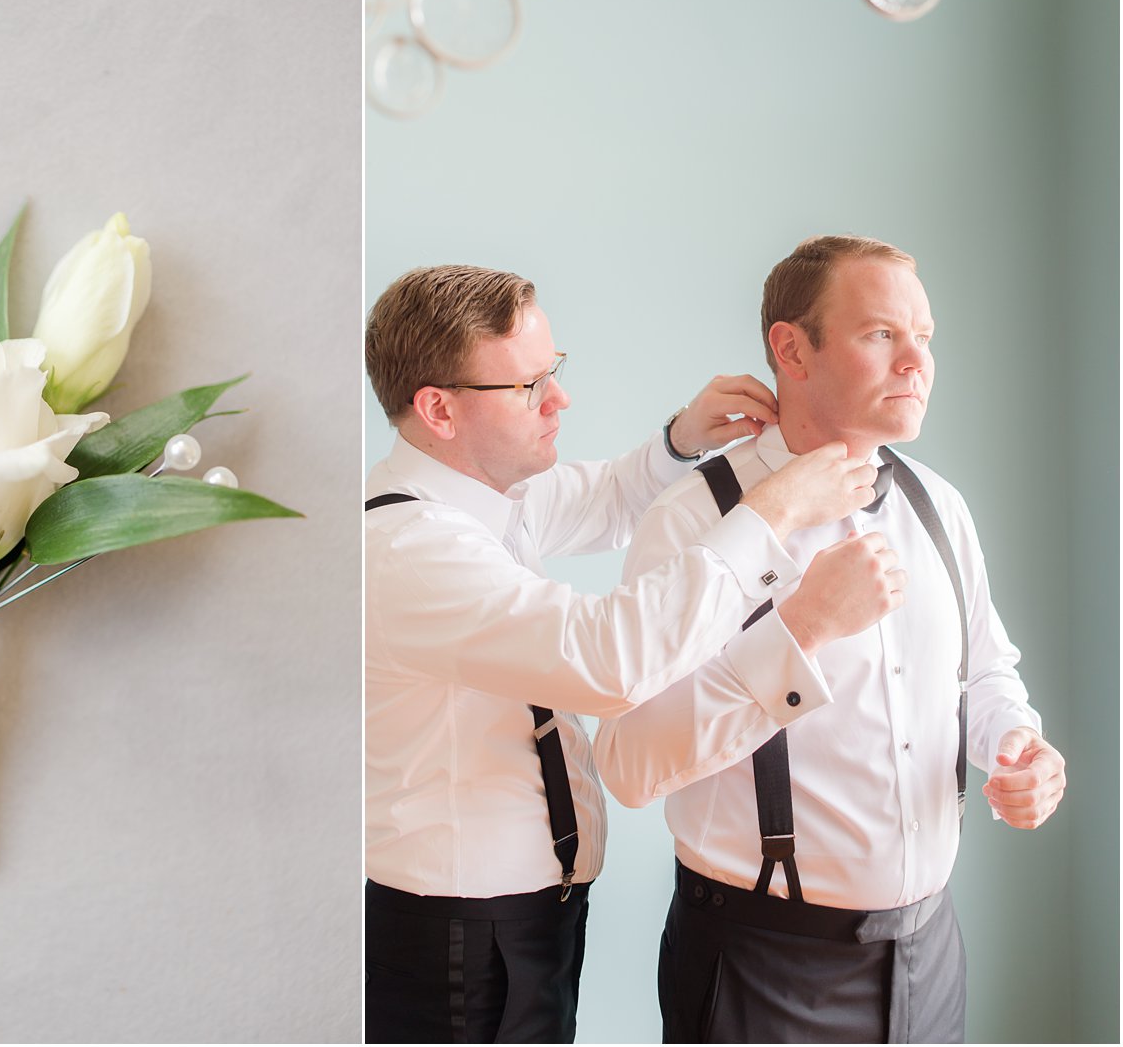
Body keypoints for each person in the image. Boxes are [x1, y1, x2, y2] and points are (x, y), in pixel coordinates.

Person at [364, 264, 902, 1044]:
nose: (559, 399)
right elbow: (607, 659)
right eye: (527, 386)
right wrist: (776, 510)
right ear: (438, 408)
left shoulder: (481, 498)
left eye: (556, 370)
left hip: (519, 920)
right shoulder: (412, 549)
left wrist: (681, 438)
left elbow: (609, 496)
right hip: (457, 938)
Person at [595, 235, 1067, 1044]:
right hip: (761, 968)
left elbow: (985, 671)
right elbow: (629, 762)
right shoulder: (695, 520)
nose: (917, 362)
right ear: (791, 348)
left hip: (930, 955)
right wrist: (801, 629)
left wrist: (1020, 742)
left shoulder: (940, 506)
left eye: (925, 337)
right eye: (881, 334)